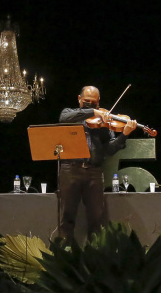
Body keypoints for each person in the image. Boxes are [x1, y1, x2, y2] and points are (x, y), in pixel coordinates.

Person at [58, 86, 136, 243]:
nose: (89, 105)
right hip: (70, 169)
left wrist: (124, 135)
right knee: (66, 218)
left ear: (98, 102)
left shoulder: (104, 122)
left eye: (93, 103)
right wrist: (93, 112)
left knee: (96, 219)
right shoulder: (69, 113)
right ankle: (64, 255)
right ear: (79, 99)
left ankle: (95, 258)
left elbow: (109, 150)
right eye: (86, 102)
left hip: (94, 172)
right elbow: (62, 119)